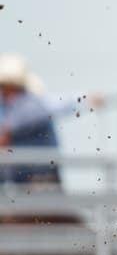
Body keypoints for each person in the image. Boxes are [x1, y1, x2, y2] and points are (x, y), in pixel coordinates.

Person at [0, 53, 100, 186]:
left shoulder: (31, 104)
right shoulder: (7, 107)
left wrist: (86, 99)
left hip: (41, 179)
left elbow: (56, 105)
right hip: (17, 181)